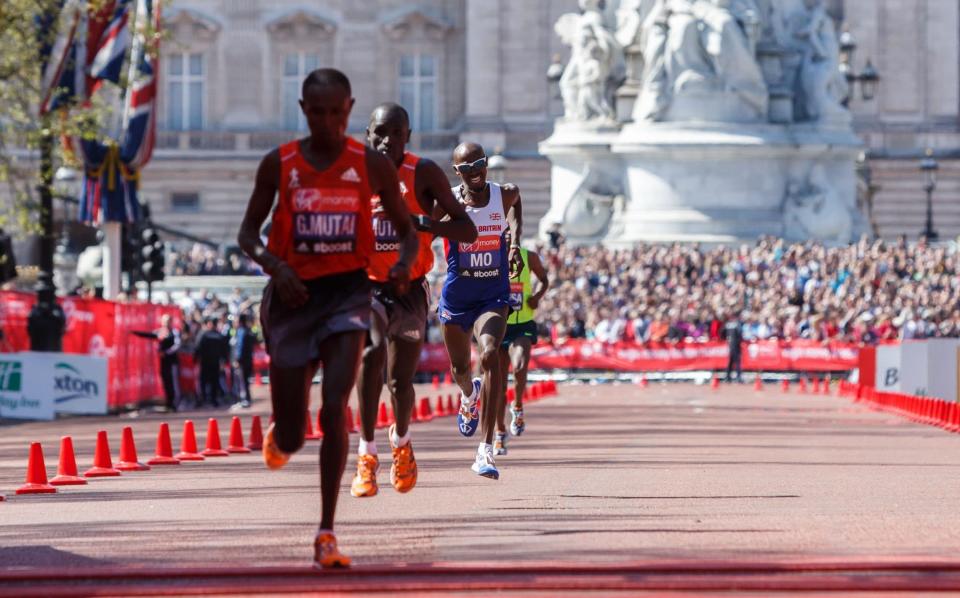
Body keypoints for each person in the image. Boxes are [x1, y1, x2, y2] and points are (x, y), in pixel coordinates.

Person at [237, 68, 416, 569]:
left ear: (349, 110)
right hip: (293, 297)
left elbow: (407, 231)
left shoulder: (370, 165)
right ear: (304, 111)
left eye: (336, 113)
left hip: (347, 293)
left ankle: (326, 532)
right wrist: (274, 266)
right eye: (318, 113)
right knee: (294, 435)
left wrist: (402, 264)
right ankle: (283, 433)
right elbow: (247, 234)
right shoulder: (281, 164)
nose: (327, 122)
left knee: (336, 405)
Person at [351, 103, 477, 498]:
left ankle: (401, 442)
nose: (387, 140)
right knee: (370, 352)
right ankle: (366, 454)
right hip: (367, 287)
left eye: (395, 133)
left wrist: (429, 224)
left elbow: (467, 229)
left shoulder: (422, 173)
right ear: (367, 135)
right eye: (379, 133)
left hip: (410, 291)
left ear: (408, 137)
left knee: (400, 383)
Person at [439, 142, 523, 480]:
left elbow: (517, 203)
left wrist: (514, 242)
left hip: (493, 292)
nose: (476, 173)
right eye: (468, 168)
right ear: (456, 172)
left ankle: (485, 450)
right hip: (458, 293)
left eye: (481, 165)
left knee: (490, 355)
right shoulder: (447, 202)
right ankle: (468, 394)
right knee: (461, 369)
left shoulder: (503, 195)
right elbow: (421, 230)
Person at [495, 246, 549, 456]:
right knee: (498, 385)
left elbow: (544, 280)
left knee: (519, 367)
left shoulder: (529, 257)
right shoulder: (492, 255)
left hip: (523, 322)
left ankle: (517, 406)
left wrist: (536, 296)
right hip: (498, 324)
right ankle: (499, 433)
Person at [193, 317, 227, 407]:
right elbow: (224, 350)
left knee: (205, 381)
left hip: (207, 362)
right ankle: (212, 399)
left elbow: (197, 347)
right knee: (213, 381)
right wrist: (223, 360)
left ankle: (205, 399)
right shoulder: (219, 335)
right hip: (212, 362)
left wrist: (195, 359)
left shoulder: (203, 334)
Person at [156, 314, 181, 412]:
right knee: (165, 381)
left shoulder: (175, 332)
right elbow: (151, 336)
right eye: (164, 321)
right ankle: (168, 402)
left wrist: (166, 352)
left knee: (173, 382)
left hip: (172, 362)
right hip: (163, 362)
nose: (166, 323)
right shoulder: (160, 332)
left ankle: (175, 403)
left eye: (167, 321)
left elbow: (177, 345)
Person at [233, 313, 258, 408]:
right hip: (249, 359)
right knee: (246, 380)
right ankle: (247, 398)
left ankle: (244, 399)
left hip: (242, 360)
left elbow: (240, 346)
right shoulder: (249, 330)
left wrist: (237, 359)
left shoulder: (241, 331)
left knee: (242, 380)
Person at [724, 313, 744, 383]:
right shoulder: (737, 325)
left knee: (730, 362)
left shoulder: (728, 324)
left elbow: (722, 333)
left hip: (730, 345)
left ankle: (728, 377)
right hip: (736, 346)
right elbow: (740, 335)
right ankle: (738, 377)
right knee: (737, 362)